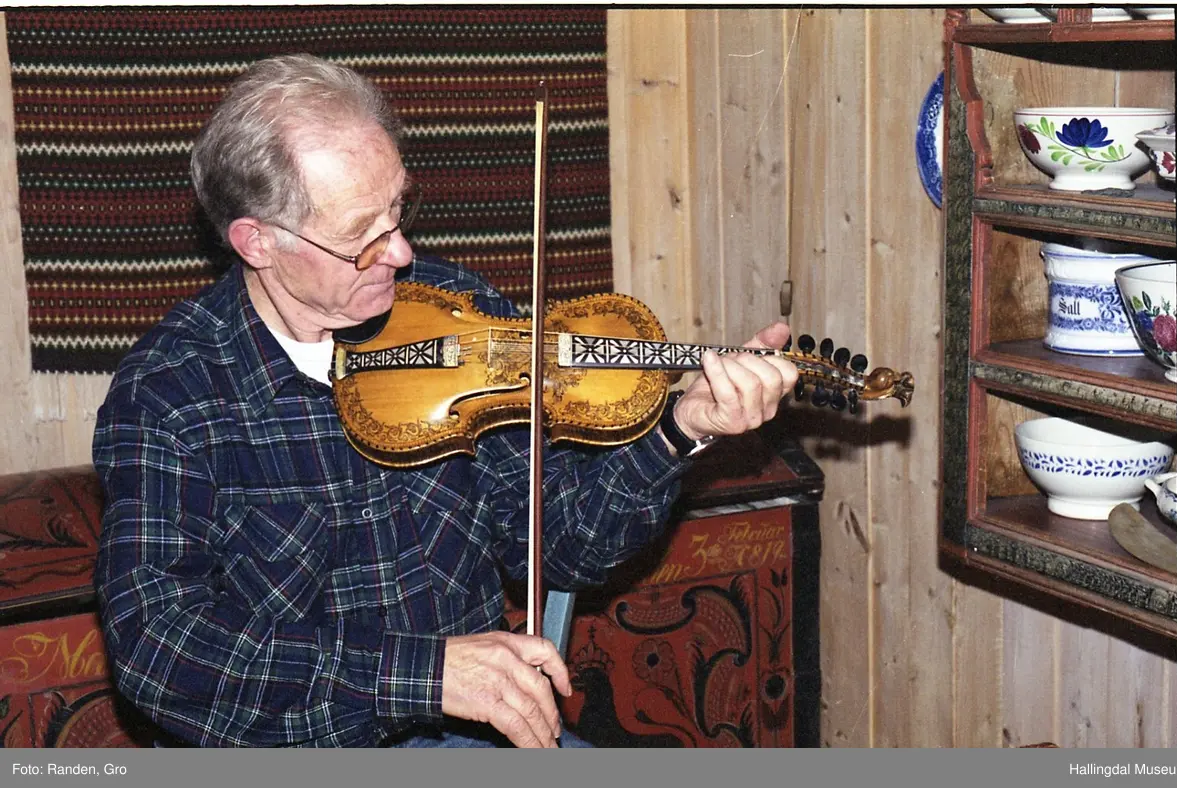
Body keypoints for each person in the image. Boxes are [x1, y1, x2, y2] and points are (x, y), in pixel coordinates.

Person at [93, 53, 799, 749]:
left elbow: (564, 545)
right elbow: (157, 648)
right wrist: (423, 675)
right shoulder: (171, 391)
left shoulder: (460, 316)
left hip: (459, 738)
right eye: (360, 239)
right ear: (258, 243)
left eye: (399, 210)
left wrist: (682, 428)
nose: (400, 253)